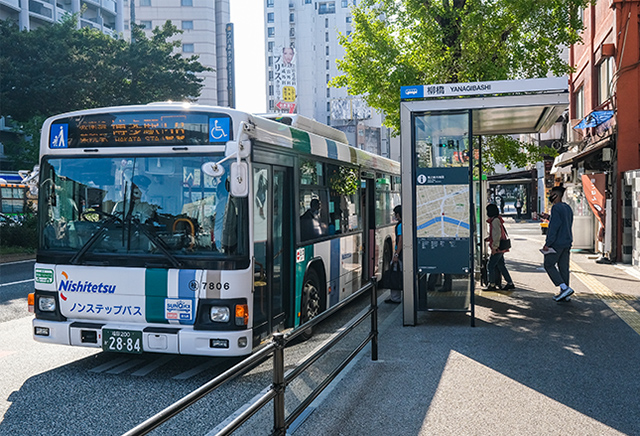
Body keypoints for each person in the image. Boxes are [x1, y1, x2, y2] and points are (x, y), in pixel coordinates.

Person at [542, 185, 574, 301]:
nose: (550, 197)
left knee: (549, 265)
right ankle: (565, 293)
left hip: (557, 243)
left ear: (556, 196)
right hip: (567, 241)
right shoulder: (567, 208)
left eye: (551, 194)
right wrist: (549, 218)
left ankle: (564, 287)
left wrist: (548, 243)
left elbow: (554, 228)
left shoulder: (556, 208)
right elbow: (563, 222)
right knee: (563, 267)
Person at [485, 203, 515, 291]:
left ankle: (492, 284)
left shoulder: (494, 221)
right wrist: (489, 238)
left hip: (498, 248)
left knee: (490, 266)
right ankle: (510, 283)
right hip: (501, 247)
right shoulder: (498, 220)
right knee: (501, 265)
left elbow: (497, 234)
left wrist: (494, 247)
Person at [385, 205, 403, 304]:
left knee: (395, 274)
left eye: (395, 213)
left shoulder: (400, 225)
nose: (395, 216)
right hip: (401, 254)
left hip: (399, 254)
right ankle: (395, 297)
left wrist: (396, 254)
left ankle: (395, 298)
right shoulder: (403, 224)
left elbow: (400, 240)